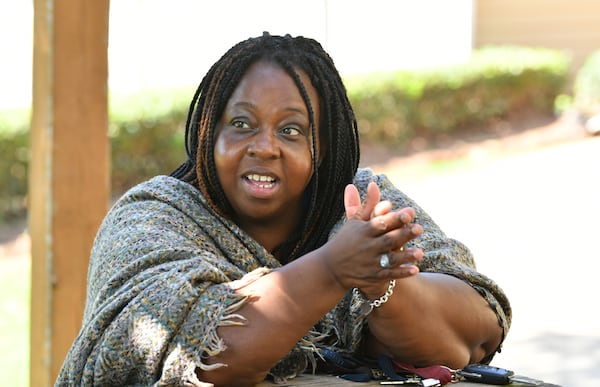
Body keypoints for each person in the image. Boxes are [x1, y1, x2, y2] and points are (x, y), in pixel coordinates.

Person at [57, 32, 511, 386]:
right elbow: (200, 360)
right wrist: (334, 270)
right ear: (207, 134)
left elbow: (473, 335)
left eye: (291, 130)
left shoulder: (357, 201)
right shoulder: (151, 216)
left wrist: (382, 283)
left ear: (325, 147)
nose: (264, 147)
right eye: (241, 124)